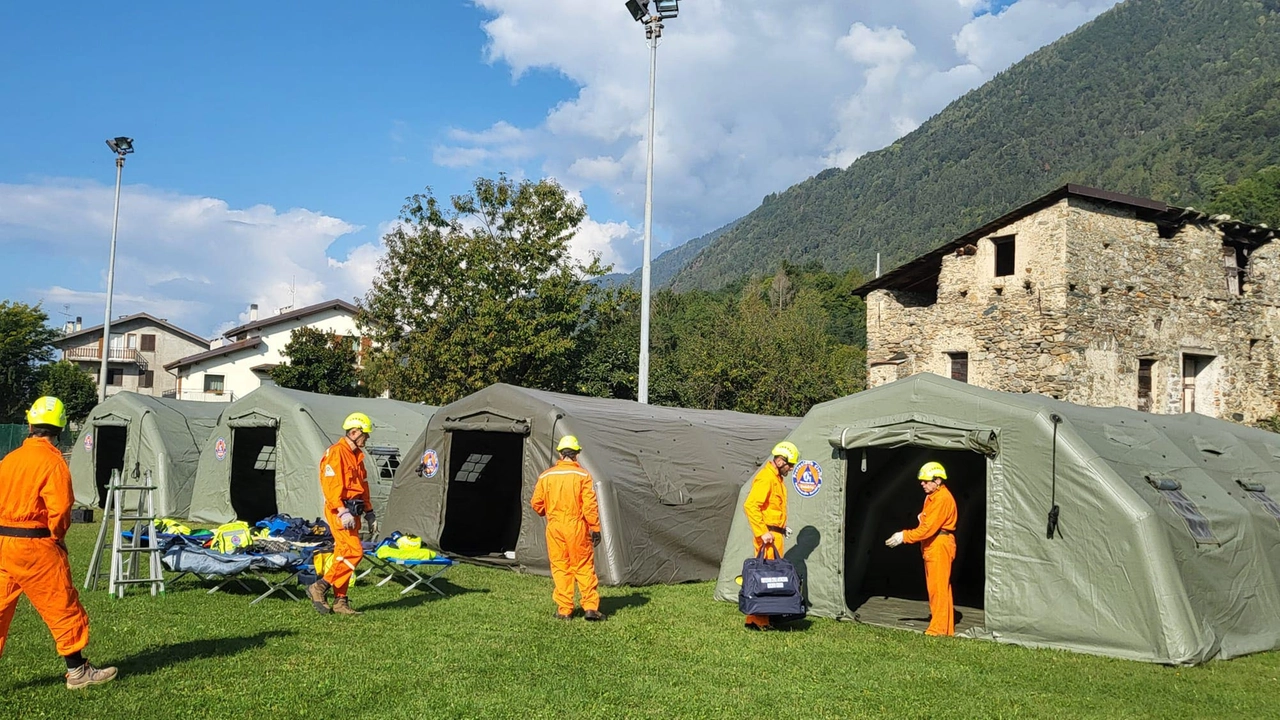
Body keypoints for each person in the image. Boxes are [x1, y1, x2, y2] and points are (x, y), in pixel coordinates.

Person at [0, 397, 118, 689]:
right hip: (36, 545)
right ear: (61, 428)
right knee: (61, 605)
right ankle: (78, 672)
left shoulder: (9, 460)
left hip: (3, 543)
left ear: (30, 424)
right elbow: (60, 510)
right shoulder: (52, 462)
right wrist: (57, 537)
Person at [307, 412, 376, 616]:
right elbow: (331, 486)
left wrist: (370, 512)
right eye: (365, 434)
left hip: (352, 510)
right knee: (354, 552)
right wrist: (341, 510)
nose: (367, 438)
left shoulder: (358, 457)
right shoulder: (336, 453)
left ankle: (340, 601)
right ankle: (320, 586)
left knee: (342, 555)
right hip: (340, 511)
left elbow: (363, 487)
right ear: (354, 432)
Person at [531, 436, 603, 621]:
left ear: (560, 453)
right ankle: (590, 608)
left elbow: (536, 504)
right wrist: (594, 528)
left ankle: (564, 610)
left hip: (554, 527)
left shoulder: (546, 476)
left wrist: (548, 512)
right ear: (577, 454)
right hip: (576, 526)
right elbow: (589, 506)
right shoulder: (583, 476)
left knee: (560, 567)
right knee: (584, 566)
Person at [885, 461, 958, 637]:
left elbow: (927, 529)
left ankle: (937, 630)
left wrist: (904, 536)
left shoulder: (941, 499)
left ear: (938, 480)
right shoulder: (932, 497)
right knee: (939, 588)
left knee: (938, 589)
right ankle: (944, 628)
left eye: (926, 481)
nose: (922, 484)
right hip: (934, 544)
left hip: (939, 544)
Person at [742, 441, 800, 630]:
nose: (791, 469)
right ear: (781, 461)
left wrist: (782, 528)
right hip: (767, 537)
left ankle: (764, 617)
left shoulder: (777, 480)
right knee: (764, 579)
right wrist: (763, 532)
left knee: (771, 578)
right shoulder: (766, 478)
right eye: (790, 465)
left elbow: (772, 510)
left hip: (774, 534)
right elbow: (751, 506)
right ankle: (758, 620)